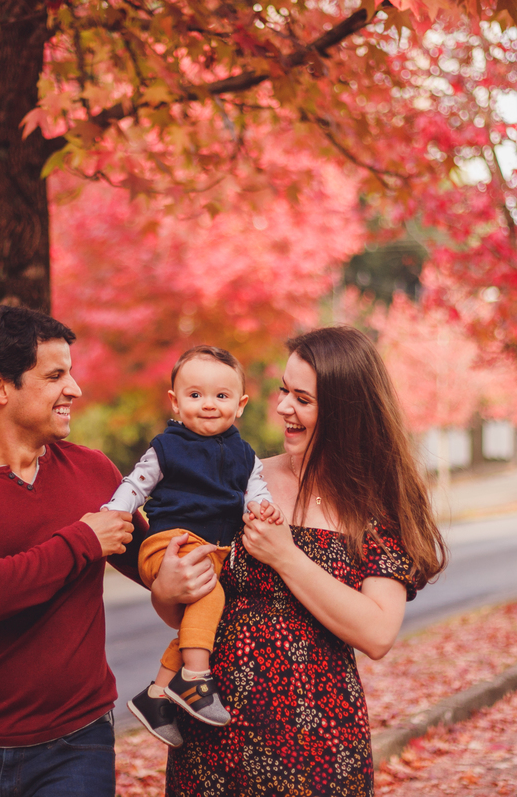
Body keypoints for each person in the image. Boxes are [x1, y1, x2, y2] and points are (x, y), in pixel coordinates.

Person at [0, 306, 215, 797]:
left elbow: (153, 564)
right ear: (0, 387)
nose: (75, 388)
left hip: (78, 742)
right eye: (55, 375)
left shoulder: (94, 472)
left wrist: (176, 571)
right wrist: (83, 541)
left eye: (71, 372)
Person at [161, 325, 449, 796]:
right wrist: (166, 590)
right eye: (282, 391)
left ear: (344, 410)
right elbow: (187, 607)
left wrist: (286, 556)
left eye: (303, 398)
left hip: (317, 743)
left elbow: (377, 634)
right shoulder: (243, 479)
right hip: (213, 733)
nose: (283, 408)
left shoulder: (376, 505)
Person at [104, 346, 283, 747]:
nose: (207, 405)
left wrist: (262, 507)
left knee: (202, 622)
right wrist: (116, 511)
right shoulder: (168, 446)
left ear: (240, 405)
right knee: (209, 596)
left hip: (213, 551)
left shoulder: (245, 454)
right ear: (175, 402)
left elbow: (256, 490)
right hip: (171, 543)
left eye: (221, 397)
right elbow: (137, 483)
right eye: (195, 395)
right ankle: (196, 680)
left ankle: (156, 696)